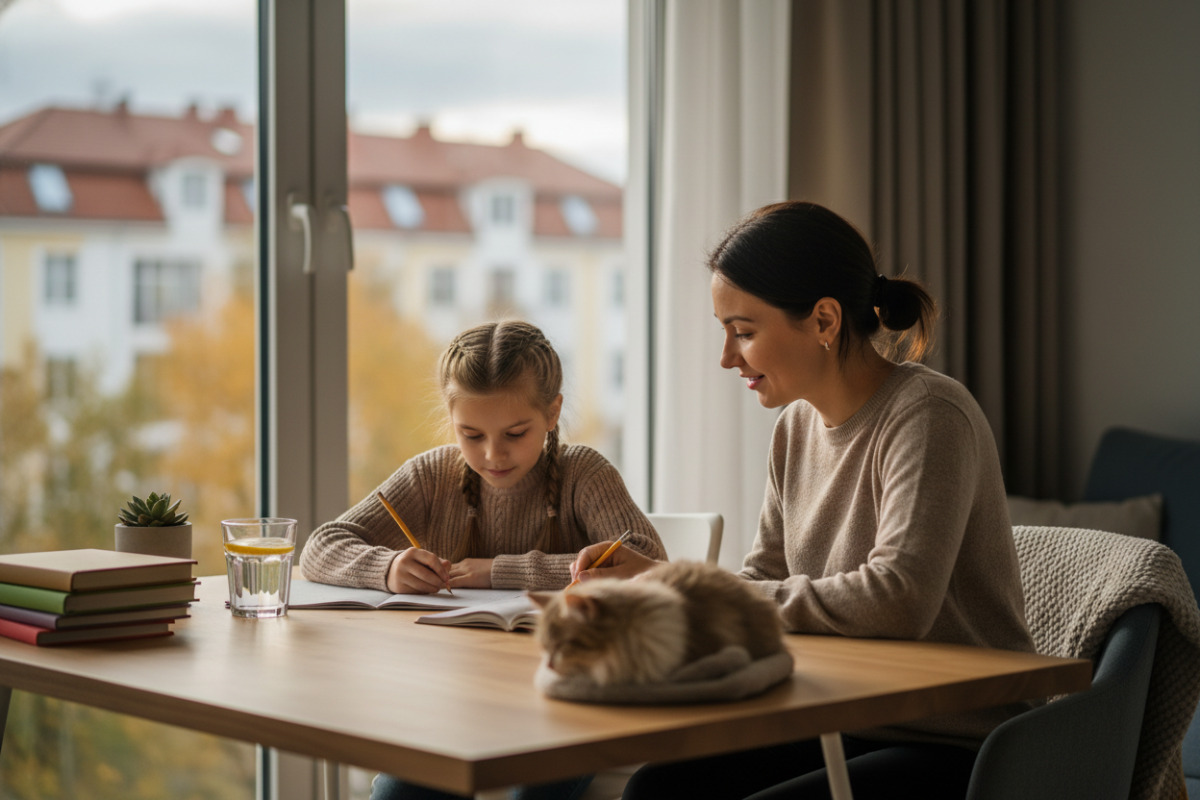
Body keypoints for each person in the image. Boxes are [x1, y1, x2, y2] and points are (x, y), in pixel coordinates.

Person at [570, 201, 1036, 800]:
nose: (727, 357)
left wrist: (673, 582)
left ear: (823, 320)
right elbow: (763, 580)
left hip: (958, 739)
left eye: (743, 332)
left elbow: (899, 600)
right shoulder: (794, 429)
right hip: (842, 719)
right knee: (657, 791)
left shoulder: (928, 416)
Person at [301, 319, 664, 800]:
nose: (494, 454)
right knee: (397, 794)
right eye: (471, 434)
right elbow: (321, 544)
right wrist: (387, 568)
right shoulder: (432, 475)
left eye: (515, 432)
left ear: (553, 412)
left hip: (571, 697)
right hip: (458, 700)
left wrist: (496, 570)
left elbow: (648, 563)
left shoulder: (584, 472)